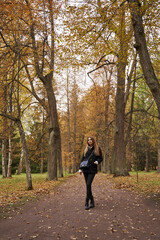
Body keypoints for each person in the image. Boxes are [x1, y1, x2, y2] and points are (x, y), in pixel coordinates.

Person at [79, 136, 103, 210]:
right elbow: (82, 159)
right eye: (88, 140)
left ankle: (86, 201)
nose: (89, 141)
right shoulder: (86, 149)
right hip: (85, 169)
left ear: (93, 141)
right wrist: (80, 169)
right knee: (88, 185)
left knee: (88, 184)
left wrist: (97, 161)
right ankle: (91, 200)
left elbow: (101, 158)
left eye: (90, 140)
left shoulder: (97, 148)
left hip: (92, 169)